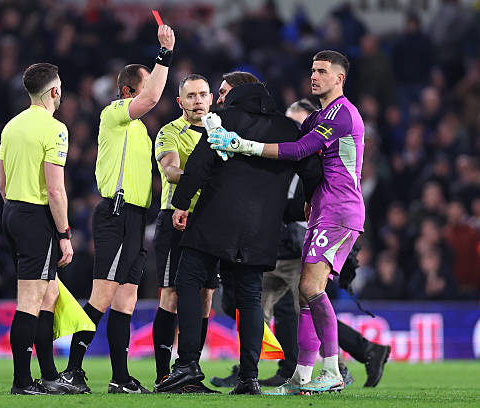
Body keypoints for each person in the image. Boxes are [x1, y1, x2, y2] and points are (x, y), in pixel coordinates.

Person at [154, 72, 322, 395]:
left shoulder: (224, 120)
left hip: (214, 220)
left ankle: (188, 364)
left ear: (237, 94)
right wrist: (306, 203)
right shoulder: (287, 128)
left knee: (187, 281)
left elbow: (199, 165)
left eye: (222, 93)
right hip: (261, 229)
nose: (218, 99)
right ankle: (249, 377)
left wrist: (181, 204)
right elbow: (313, 170)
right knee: (250, 299)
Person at [208, 50, 365, 394]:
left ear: (339, 78)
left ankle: (332, 370)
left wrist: (243, 144)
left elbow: (298, 151)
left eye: (322, 71)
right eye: (313, 70)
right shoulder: (318, 117)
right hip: (322, 209)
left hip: (339, 209)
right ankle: (301, 377)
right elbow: (298, 150)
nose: (314, 76)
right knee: (305, 295)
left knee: (311, 288)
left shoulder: (342, 113)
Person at [61, 25, 175, 394]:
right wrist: (164, 54)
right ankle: (72, 371)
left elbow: (151, 97)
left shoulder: (139, 129)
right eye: (144, 84)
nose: (151, 91)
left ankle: (120, 378)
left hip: (136, 219)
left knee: (125, 301)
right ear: (128, 92)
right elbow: (153, 97)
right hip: (116, 213)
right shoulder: (115, 113)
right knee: (102, 296)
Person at [0, 62, 74, 395]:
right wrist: (64, 234)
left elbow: (2, 185)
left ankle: (49, 375)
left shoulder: (11, 126)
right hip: (35, 216)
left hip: (12, 211)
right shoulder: (55, 129)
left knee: (50, 293)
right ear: (54, 91)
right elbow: (55, 189)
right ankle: (22, 381)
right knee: (30, 300)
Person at [152, 73, 219, 393]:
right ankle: (163, 375)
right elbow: (170, 170)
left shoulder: (221, 133)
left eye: (203, 94)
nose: (198, 101)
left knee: (206, 298)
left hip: (211, 223)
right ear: (180, 102)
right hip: (175, 219)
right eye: (191, 96)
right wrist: (205, 176)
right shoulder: (169, 132)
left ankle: (190, 371)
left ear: (212, 98)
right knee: (171, 295)